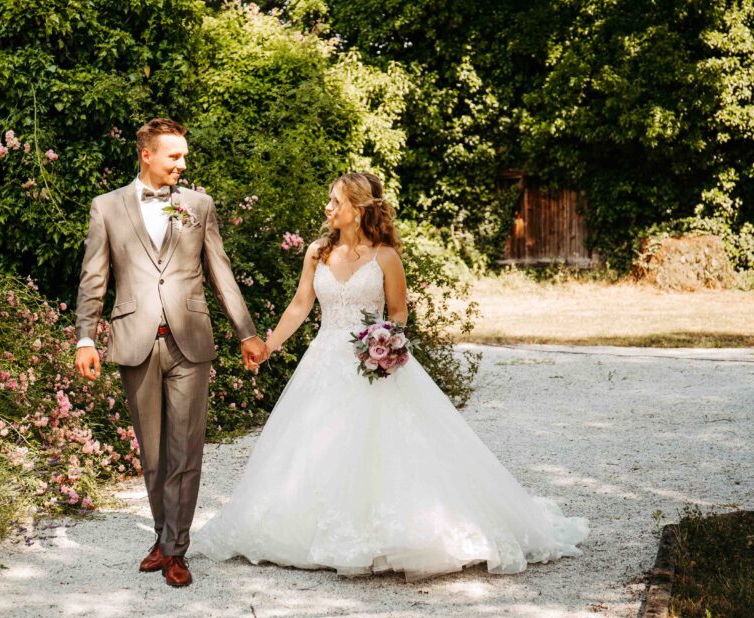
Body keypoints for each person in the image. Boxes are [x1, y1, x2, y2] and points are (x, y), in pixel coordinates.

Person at [192, 173, 588, 580]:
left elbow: (398, 312)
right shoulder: (317, 252)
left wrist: (386, 342)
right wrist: (267, 346)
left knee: (384, 446)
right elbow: (299, 306)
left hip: (373, 364)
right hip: (325, 362)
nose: (327, 208)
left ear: (358, 209)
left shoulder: (385, 257)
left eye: (335, 201)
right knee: (314, 445)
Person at [74, 118, 268, 588]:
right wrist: (85, 337)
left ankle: (176, 548)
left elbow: (220, 272)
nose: (183, 164)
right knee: (154, 454)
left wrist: (246, 332)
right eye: (174, 156)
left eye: (183, 155)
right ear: (147, 155)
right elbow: (94, 277)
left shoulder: (198, 205)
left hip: (190, 341)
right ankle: (163, 537)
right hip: (135, 340)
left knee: (186, 451)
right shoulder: (107, 208)